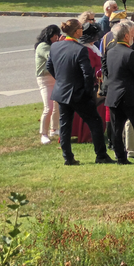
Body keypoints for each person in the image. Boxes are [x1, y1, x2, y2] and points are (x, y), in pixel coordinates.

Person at [46, 18, 113, 165]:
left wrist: (61, 79)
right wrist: (88, 92)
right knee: (95, 122)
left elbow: (49, 66)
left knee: (65, 125)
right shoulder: (80, 49)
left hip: (62, 92)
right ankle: (101, 155)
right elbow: (87, 74)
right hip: (78, 93)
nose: (82, 31)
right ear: (77, 32)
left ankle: (68, 157)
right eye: (81, 29)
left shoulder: (55, 46)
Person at [102, 20, 134, 164]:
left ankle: (120, 157)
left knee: (116, 129)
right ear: (126, 36)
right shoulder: (130, 53)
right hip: (130, 96)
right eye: (131, 34)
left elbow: (107, 71)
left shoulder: (110, 51)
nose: (133, 36)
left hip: (114, 95)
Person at [34, 24, 61, 145]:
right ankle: (43, 134)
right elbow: (52, 57)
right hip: (45, 79)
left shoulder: (53, 45)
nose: (57, 37)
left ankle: (53, 129)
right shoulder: (43, 46)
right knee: (48, 107)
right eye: (55, 35)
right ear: (49, 35)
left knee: (57, 105)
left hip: (55, 77)